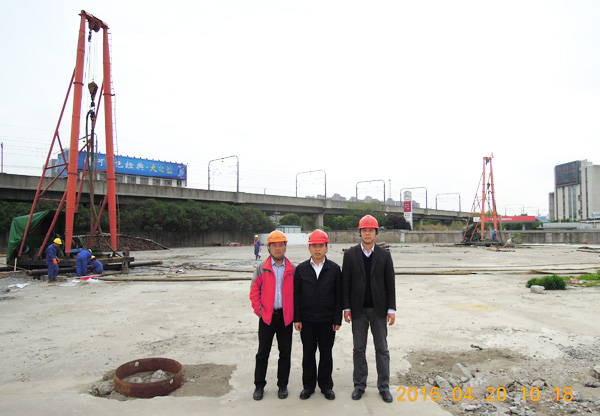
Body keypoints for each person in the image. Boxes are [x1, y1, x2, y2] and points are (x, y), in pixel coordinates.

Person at [342, 215, 396, 403]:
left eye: (370, 230)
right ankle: (359, 385)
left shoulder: (384, 255)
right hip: (358, 311)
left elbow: (390, 283)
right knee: (359, 349)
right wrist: (346, 308)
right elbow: (346, 283)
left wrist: (391, 309)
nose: (367, 233)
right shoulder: (350, 255)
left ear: (376, 233)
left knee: (382, 349)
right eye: (364, 230)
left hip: (379, 310)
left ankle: (384, 386)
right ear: (360, 233)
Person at [293, 229, 342, 401]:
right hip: (307, 321)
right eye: (314, 246)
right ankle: (308, 386)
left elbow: (338, 296)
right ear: (309, 248)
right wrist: (297, 318)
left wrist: (337, 319)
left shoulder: (334, 269)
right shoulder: (301, 269)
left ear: (326, 248)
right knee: (308, 354)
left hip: (327, 321)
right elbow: (296, 295)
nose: (317, 249)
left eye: (321, 246)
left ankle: (326, 386)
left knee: (326, 354)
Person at [249, 230, 295, 401]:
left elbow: (297, 294)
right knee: (263, 353)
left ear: (285, 247)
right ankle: (259, 385)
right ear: (268, 247)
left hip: (285, 318)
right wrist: (259, 311)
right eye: (274, 245)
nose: (277, 248)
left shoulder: (292, 269)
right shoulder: (262, 268)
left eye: (280, 245)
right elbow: (254, 291)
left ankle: (282, 385)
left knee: (285, 353)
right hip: (267, 317)